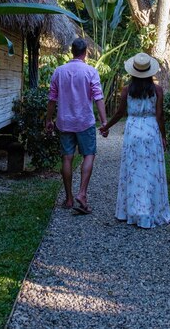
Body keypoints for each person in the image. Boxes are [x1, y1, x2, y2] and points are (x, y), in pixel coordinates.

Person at [100, 52, 170, 228]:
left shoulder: (126, 90)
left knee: (133, 171)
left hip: (133, 131)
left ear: (133, 71)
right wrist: (163, 135)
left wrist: (106, 126)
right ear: (150, 72)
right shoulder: (157, 90)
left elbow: (119, 113)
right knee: (150, 171)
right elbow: (160, 115)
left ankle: (130, 211)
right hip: (150, 131)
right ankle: (149, 211)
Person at [45, 37, 107, 214]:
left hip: (64, 122)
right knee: (89, 155)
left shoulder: (59, 71)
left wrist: (49, 120)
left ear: (71, 51)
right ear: (86, 52)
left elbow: (52, 99)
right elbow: (98, 97)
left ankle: (69, 199)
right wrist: (104, 122)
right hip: (84, 122)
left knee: (67, 158)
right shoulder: (90, 71)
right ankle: (82, 193)